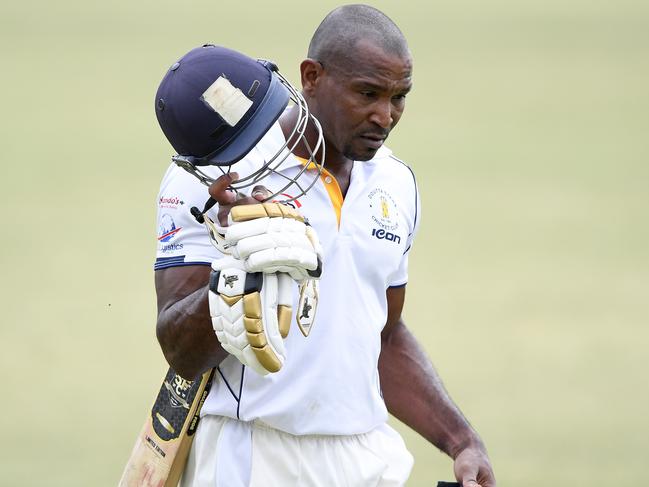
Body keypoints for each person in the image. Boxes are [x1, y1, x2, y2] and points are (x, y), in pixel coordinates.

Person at [153, 4, 496, 486]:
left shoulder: (396, 184)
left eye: (400, 97)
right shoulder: (214, 175)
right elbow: (179, 351)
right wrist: (238, 271)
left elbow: (383, 333)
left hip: (365, 455)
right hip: (253, 452)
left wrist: (462, 442)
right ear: (311, 77)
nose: (386, 115)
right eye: (368, 94)